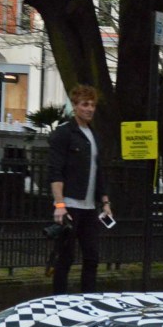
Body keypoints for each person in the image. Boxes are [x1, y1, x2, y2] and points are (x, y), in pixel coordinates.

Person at [49, 84, 112, 294]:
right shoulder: (64, 133)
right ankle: (58, 300)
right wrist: (60, 204)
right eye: (85, 104)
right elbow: (55, 171)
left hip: (89, 208)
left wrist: (105, 202)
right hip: (70, 205)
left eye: (93, 105)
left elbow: (99, 171)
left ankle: (88, 299)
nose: (90, 109)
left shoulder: (93, 135)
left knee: (92, 257)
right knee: (65, 258)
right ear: (75, 106)